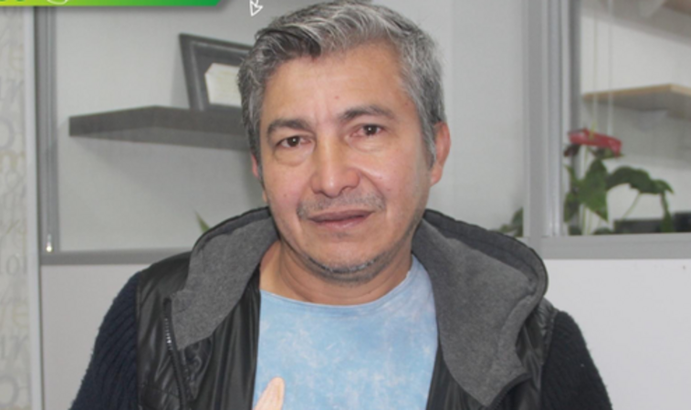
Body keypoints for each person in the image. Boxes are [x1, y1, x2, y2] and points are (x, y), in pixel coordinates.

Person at [70, 1, 612, 409]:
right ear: (259, 170)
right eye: (293, 141)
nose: (330, 180)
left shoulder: (537, 351)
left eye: (367, 130)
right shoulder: (157, 319)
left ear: (435, 150)